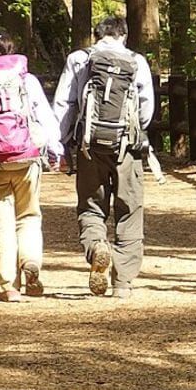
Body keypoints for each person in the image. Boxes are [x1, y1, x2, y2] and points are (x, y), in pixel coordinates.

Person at [52, 16, 155, 299]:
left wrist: (62, 144)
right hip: (127, 147)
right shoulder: (137, 61)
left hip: (89, 146)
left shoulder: (79, 59)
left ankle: (96, 245)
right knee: (129, 210)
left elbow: (64, 104)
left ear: (96, 35)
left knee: (91, 205)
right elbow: (146, 110)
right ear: (124, 35)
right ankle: (123, 283)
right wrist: (135, 132)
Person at [0, 27, 63, 302]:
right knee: (28, 216)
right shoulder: (27, 81)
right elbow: (45, 118)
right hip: (27, 159)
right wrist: (55, 150)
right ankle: (30, 261)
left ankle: (9, 286)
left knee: (1, 225)